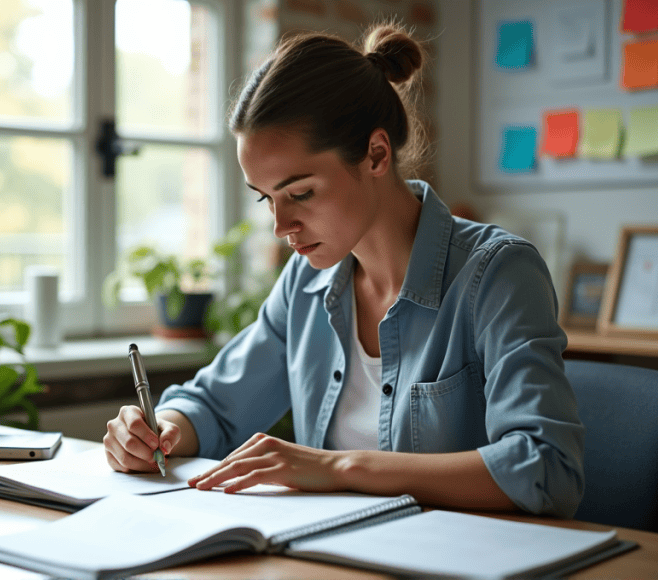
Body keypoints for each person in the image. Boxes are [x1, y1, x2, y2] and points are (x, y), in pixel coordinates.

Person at [104, 23, 585, 518]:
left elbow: (545, 468)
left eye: (301, 193)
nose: (280, 226)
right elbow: (216, 404)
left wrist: (340, 468)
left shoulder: (498, 273)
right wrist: (161, 428)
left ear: (376, 154)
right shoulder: (305, 282)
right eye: (266, 198)